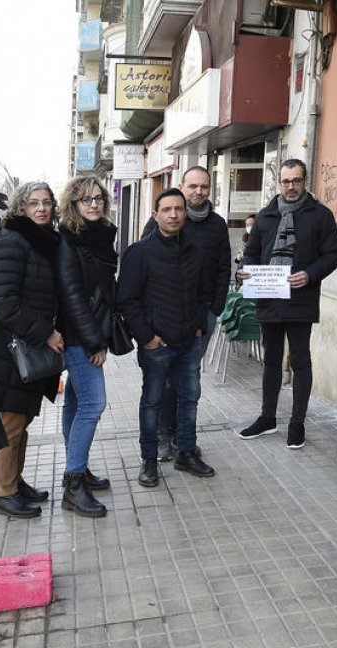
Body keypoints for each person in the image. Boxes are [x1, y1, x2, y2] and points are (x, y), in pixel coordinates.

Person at [235, 159, 337, 448]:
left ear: (305, 180)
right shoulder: (265, 216)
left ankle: (297, 424)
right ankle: (267, 418)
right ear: (278, 183)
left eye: (296, 180)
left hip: (301, 298)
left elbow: (333, 254)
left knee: (300, 360)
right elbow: (253, 251)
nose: (291, 186)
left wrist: (310, 275)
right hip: (268, 296)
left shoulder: (321, 215)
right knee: (271, 360)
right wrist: (247, 269)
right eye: (285, 181)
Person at [0, 182, 62, 519]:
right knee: (9, 423)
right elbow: (3, 301)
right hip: (5, 349)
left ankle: (15, 482)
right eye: (33, 203)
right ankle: (3, 493)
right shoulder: (10, 241)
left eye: (46, 203)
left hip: (22, 346)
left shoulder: (35, 241)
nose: (41, 209)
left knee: (21, 419)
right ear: (19, 208)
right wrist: (46, 333)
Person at [118, 188, 216, 488]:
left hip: (189, 342)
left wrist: (200, 325)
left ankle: (186, 452)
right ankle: (149, 461)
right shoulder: (139, 252)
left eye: (179, 209)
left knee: (190, 400)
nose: (174, 214)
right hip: (157, 346)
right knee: (152, 402)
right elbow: (127, 300)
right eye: (167, 209)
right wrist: (147, 337)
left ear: (186, 213)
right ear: (155, 214)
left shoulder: (196, 250)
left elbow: (204, 292)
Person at [140, 167, 231, 462]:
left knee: (188, 381)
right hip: (165, 316)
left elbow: (223, 269)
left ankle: (183, 438)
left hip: (201, 315)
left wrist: (214, 308)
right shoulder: (163, 221)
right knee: (165, 381)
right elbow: (143, 268)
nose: (198, 192)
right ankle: (163, 436)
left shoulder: (217, 225)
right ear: (182, 186)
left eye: (204, 186)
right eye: (193, 186)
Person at [54, 176, 118, 518]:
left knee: (77, 403)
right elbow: (72, 296)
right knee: (94, 403)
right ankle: (73, 482)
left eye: (98, 199)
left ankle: (77, 466)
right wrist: (94, 340)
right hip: (79, 334)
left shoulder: (102, 236)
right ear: (73, 205)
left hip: (92, 329)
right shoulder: (68, 240)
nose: (93, 204)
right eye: (85, 200)